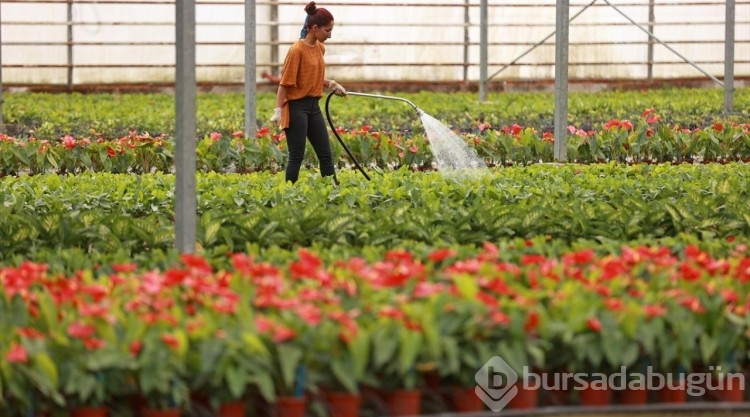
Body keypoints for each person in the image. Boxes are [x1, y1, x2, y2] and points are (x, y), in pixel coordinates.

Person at [269, 1, 347, 184]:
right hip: (297, 108)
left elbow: (311, 77)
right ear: (314, 28)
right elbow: (284, 84)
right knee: (297, 155)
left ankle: (334, 193)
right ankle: (289, 194)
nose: (330, 35)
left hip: (314, 107)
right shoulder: (296, 51)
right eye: (327, 31)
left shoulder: (320, 48)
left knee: (326, 154)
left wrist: (332, 84)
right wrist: (278, 111)